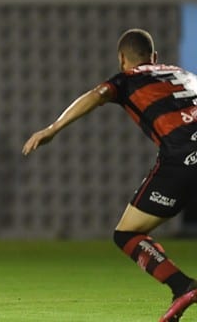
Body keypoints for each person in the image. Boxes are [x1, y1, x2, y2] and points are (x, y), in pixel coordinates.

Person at [22, 28, 197, 322]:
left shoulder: (127, 80)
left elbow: (97, 95)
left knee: (127, 233)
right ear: (155, 57)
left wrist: (52, 129)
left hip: (183, 156)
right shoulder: (184, 74)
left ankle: (182, 287)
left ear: (121, 59)